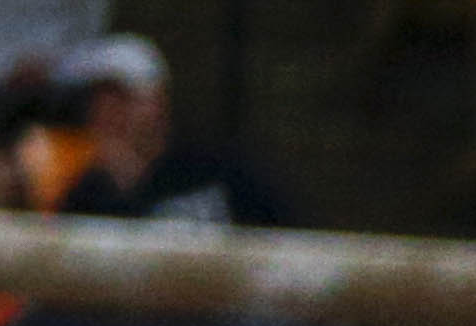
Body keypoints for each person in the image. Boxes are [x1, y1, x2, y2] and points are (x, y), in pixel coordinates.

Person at [48, 35, 293, 228]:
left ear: (158, 100)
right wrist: (123, 184)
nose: (110, 112)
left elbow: (290, 234)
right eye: (97, 101)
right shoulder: (87, 195)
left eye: (122, 98)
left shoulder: (218, 168)